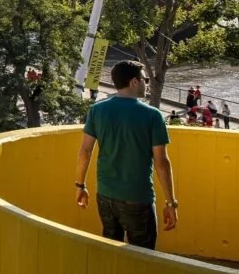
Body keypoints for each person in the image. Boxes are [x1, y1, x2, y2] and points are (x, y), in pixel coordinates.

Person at [74, 60, 177, 250]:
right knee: (143, 256)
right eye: (144, 79)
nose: (146, 83)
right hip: (137, 198)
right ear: (134, 82)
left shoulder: (97, 110)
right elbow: (161, 162)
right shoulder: (153, 115)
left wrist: (80, 185)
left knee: (111, 250)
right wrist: (171, 202)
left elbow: (85, 152)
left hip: (105, 195)